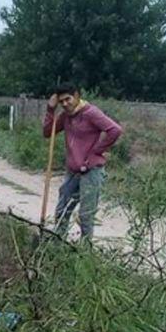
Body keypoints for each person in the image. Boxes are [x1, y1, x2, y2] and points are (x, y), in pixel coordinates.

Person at [43, 83, 123, 240]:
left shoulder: (91, 113)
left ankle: (85, 254)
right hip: (72, 172)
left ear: (77, 96)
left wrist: (95, 152)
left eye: (68, 99)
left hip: (91, 171)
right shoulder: (66, 116)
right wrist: (50, 110)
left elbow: (115, 130)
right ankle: (57, 246)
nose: (65, 104)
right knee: (62, 211)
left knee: (85, 216)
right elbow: (47, 132)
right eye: (61, 102)